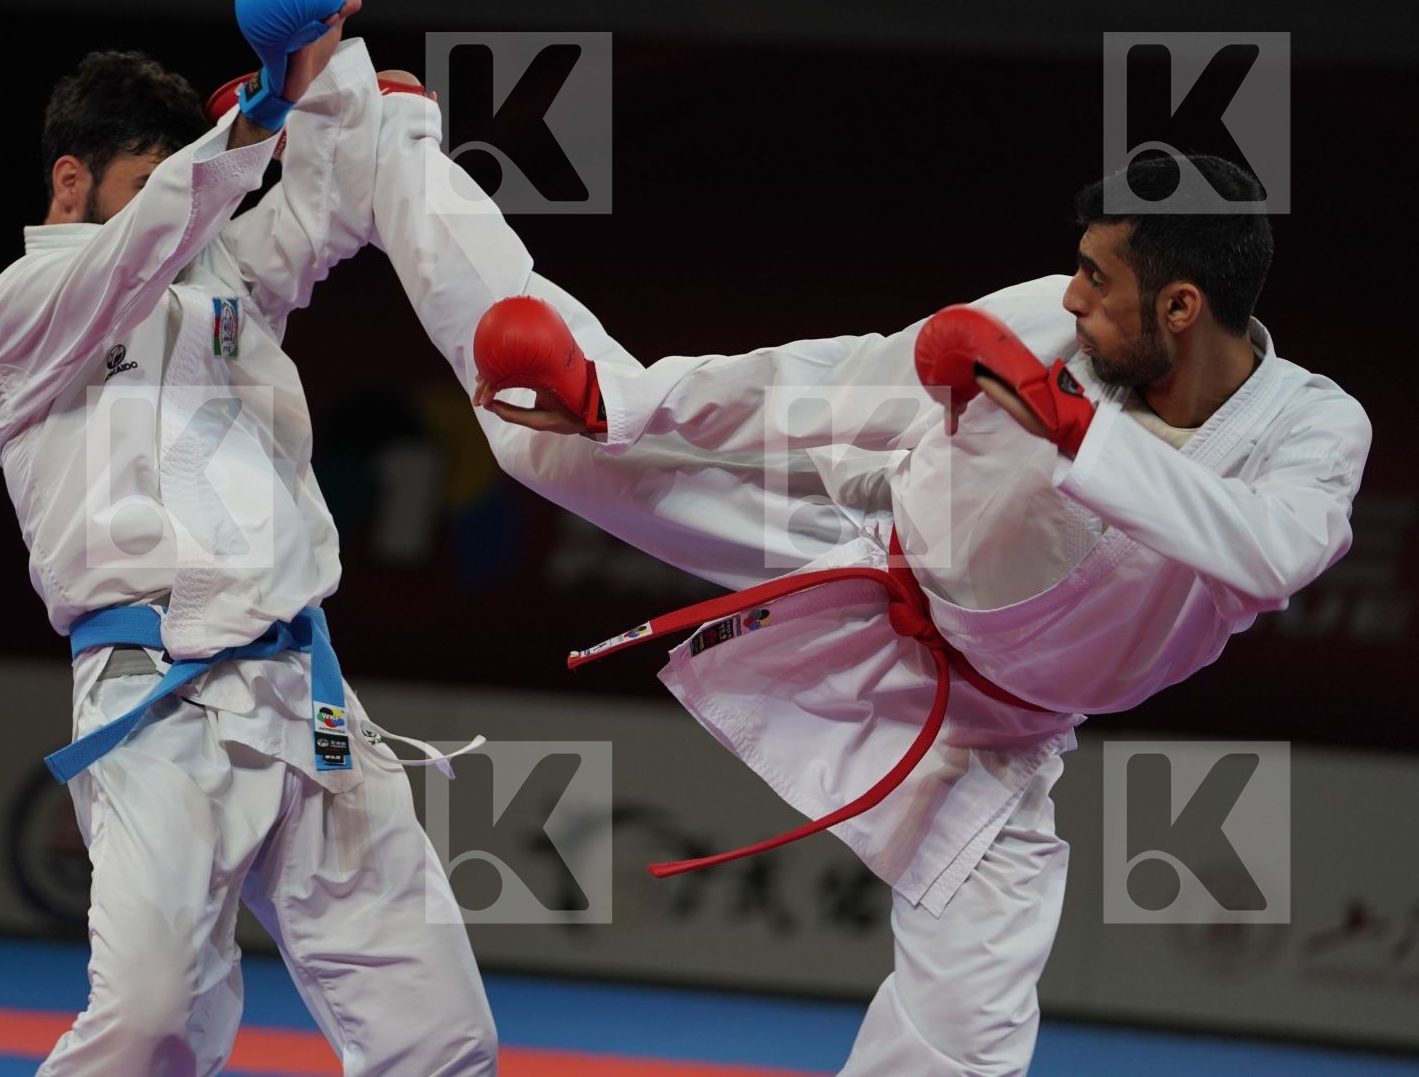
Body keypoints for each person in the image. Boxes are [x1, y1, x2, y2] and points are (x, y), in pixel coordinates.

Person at [358, 88, 1371, 1077]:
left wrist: (1066, 422)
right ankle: (395, 142)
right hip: (863, 547)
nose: (1070, 296)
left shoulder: (1311, 430)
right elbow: (836, 381)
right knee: (556, 449)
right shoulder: (1044, 326)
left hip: (1000, 738)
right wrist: (624, 402)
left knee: (963, 1046)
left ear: (1181, 306)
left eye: (1097, 280)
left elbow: (1271, 552)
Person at [0, 0, 495, 1077]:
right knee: (156, 1020)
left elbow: (325, 205)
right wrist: (248, 121)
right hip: (152, 701)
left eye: (181, 177)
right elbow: (159, 232)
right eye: (149, 180)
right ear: (72, 180)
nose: (182, 206)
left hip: (305, 692)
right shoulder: (19, 318)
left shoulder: (226, 286)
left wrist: (317, 44)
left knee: (440, 1039)